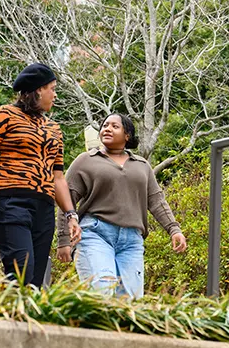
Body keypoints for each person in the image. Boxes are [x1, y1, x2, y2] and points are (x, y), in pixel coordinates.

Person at [0, 63, 81, 287]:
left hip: (44, 208)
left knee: (34, 283)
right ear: (39, 90)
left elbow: (57, 177)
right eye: (52, 88)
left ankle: (21, 319)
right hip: (8, 201)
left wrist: (71, 215)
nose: (55, 95)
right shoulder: (3, 115)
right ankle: (6, 318)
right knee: (22, 270)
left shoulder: (54, 129)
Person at [55, 113, 186, 298]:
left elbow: (156, 201)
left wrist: (174, 229)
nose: (107, 129)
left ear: (127, 135)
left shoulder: (142, 165)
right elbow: (65, 199)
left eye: (114, 126)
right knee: (102, 291)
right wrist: (63, 240)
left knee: (129, 300)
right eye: (105, 125)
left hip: (132, 241)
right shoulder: (86, 160)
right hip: (95, 234)